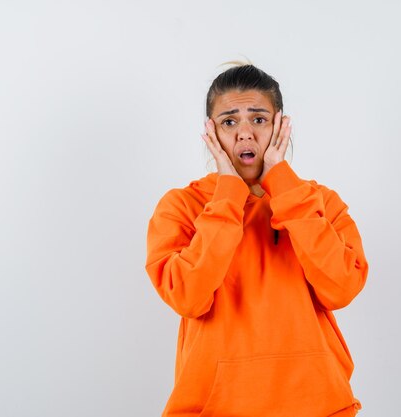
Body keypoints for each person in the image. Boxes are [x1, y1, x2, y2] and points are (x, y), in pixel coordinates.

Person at [145, 64, 369, 417]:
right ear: (211, 133)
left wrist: (283, 185)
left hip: (319, 405)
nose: (245, 134)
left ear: (281, 126)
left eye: (259, 120)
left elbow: (341, 288)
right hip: (215, 408)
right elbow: (188, 297)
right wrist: (229, 193)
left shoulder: (319, 202)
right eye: (229, 122)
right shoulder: (182, 206)